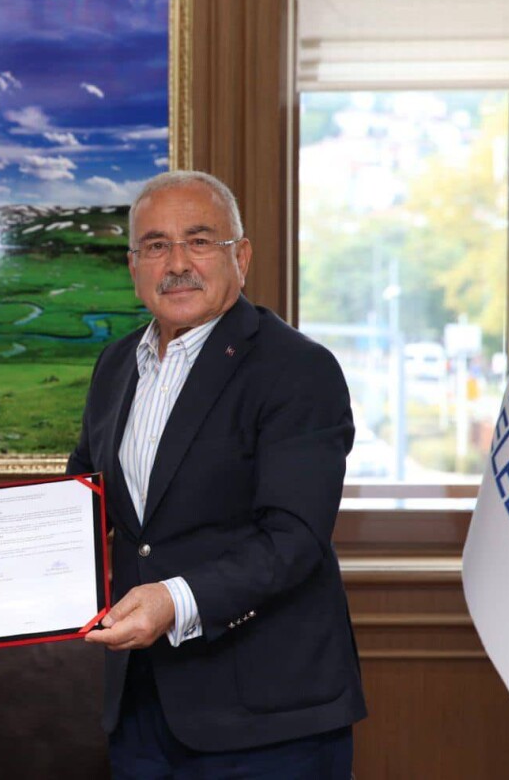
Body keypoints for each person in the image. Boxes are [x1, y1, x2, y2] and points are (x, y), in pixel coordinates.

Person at [71, 170, 366, 777]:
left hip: (270, 719)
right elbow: (85, 501)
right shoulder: (116, 364)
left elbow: (293, 539)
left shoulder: (298, 370)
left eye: (200, 241)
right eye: (156, 245)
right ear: (133, 267)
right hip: (141, 709)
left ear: (242, 257)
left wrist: (173, 601)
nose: (177, 263)